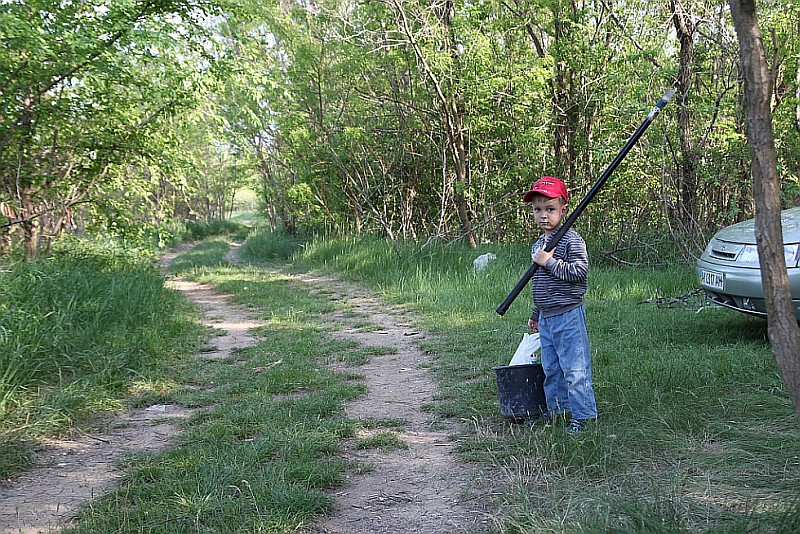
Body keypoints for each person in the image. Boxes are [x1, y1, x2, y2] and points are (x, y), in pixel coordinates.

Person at [523, 176, 597, 434]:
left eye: (550, 209)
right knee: (551, 369)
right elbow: (538, 283)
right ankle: (558, 412)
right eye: (538, 210)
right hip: (547, 317)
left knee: (575, 370)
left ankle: (584, 418)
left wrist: (549, 262)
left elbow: (579, 272)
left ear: (564, 210)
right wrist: (536, 312)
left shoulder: (570, 240)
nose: (543, 215)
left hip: (568, 315)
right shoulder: (538, 245)